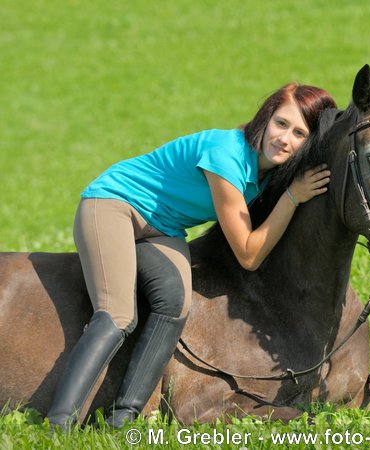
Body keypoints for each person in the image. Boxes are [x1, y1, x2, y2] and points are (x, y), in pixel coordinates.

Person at [47, 83, 336, 430]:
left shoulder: (268, 170)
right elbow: (248, 254)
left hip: (163, 228)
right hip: (113, 205)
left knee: (175, 303)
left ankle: (123, 417)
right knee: (119, 315)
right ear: (265, 117)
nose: (285, 139)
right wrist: (292, 196)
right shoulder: (225, 155)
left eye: (300, 133)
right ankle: (58, 422)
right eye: (281, 123)